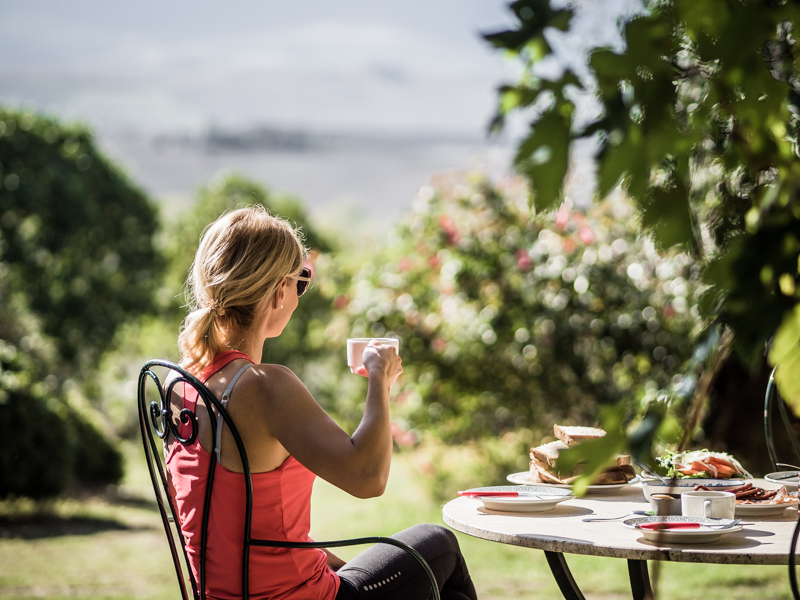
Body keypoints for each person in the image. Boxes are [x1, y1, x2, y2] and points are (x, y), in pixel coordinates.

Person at [166, 205, 478, 600]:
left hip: (226, 594)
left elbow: (239, 525)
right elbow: (368, 478)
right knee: (439, 541)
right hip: (300, 596)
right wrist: (380, 379)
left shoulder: (182, 385)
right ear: (279, 290)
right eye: (302, 281)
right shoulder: (266, 387)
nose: (299, 294)